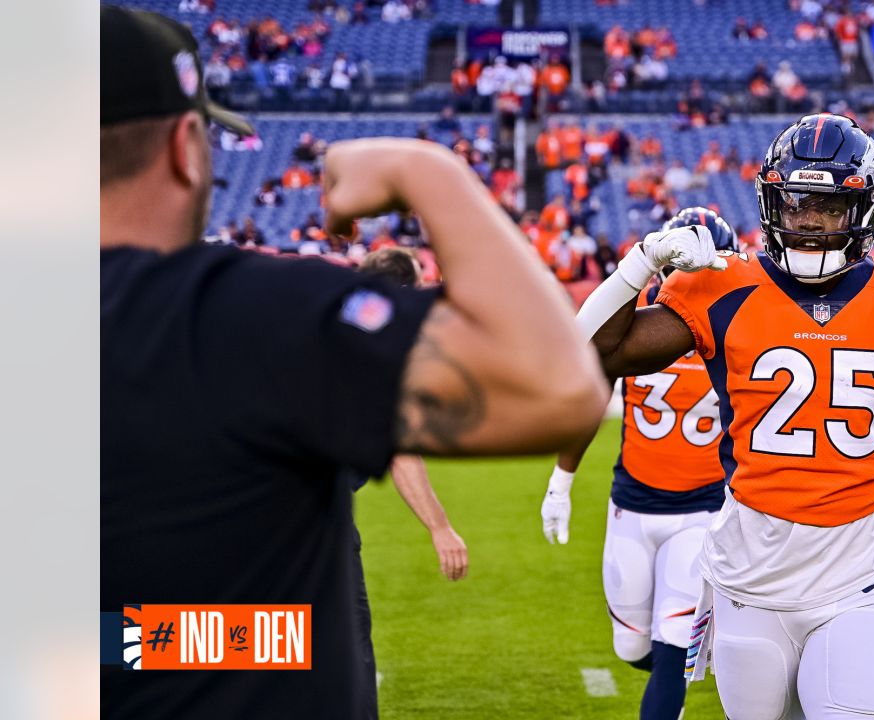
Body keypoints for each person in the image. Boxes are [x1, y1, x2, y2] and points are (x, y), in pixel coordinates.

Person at [101, 8, 607, 718]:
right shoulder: (251, 311)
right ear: (187, 146)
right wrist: (427, 172)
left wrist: (137, 643)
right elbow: (557, 386)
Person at [572, 114, 874, 720]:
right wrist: (640, 262)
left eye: (827, 204)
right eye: (794, 201)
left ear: (864, 208)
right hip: (748, 580)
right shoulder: (722, 286)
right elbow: (589, 353)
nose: (807, 220)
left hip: (859, 576)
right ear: (770, 200)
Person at [541, 208, 739, 720]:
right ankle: (700, 655)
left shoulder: (735, 330)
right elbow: (589, 391)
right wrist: (561, 483)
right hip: (632, 504)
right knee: (634, 649)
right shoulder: (636, 328)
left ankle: (692, 657)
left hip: (702, 510)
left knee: (671, 646)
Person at [352, 246, 469, 718]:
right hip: (301, 513)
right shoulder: (381, 349)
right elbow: (400, 450)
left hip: (233, 494)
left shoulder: (324, 319)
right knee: (345, 641)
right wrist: (440, 526)